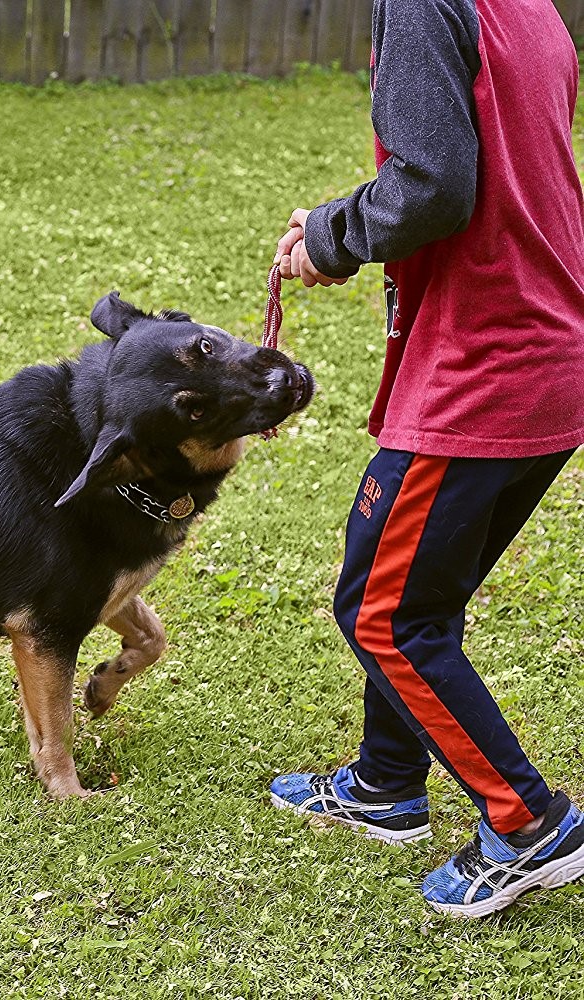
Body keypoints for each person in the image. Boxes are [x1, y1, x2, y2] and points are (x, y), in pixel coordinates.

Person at [267, 0, 584, 917]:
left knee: (386, 614)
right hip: (550, 351)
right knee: (419, 600)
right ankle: (386, 783)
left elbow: (437, 184)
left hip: (485, 366)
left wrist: (333, 235)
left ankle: (530, 823)